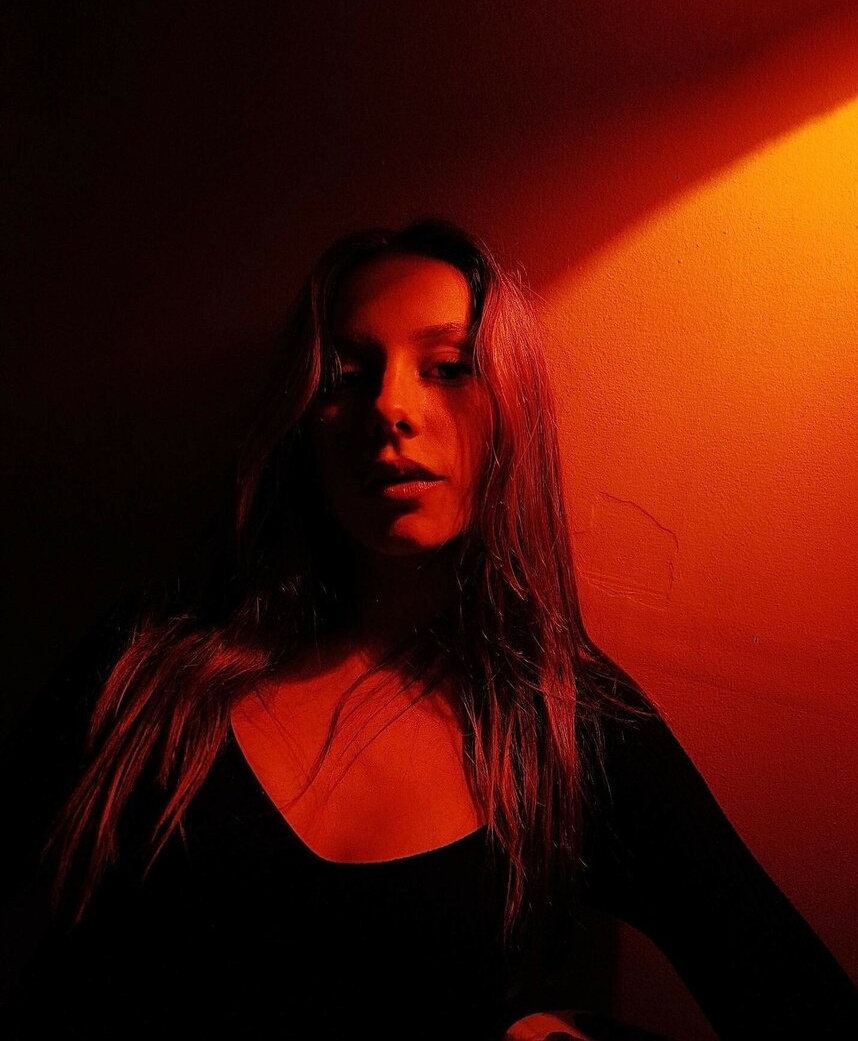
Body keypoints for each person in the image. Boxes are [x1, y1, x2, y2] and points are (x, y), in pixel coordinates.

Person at [1, 217, 857, 1041]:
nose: (390, 407)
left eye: (447, 366)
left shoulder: (572, 730)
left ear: (511, 409)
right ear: (303, 420)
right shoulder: (151, 665)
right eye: (345, 376)